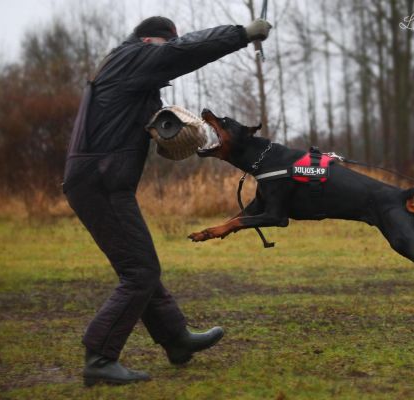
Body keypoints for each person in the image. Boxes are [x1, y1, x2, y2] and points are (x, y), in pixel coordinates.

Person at [63, 16, 272, 386]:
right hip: (101, 181)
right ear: (151, 41)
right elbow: (184, 51)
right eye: (165, 46)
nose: (166, 55)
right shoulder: (134, 56)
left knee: (140, 267)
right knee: (140, 272)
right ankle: (99, 356)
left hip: (99, 179)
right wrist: (242, 34)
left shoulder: (125, 67)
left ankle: (175, 339)